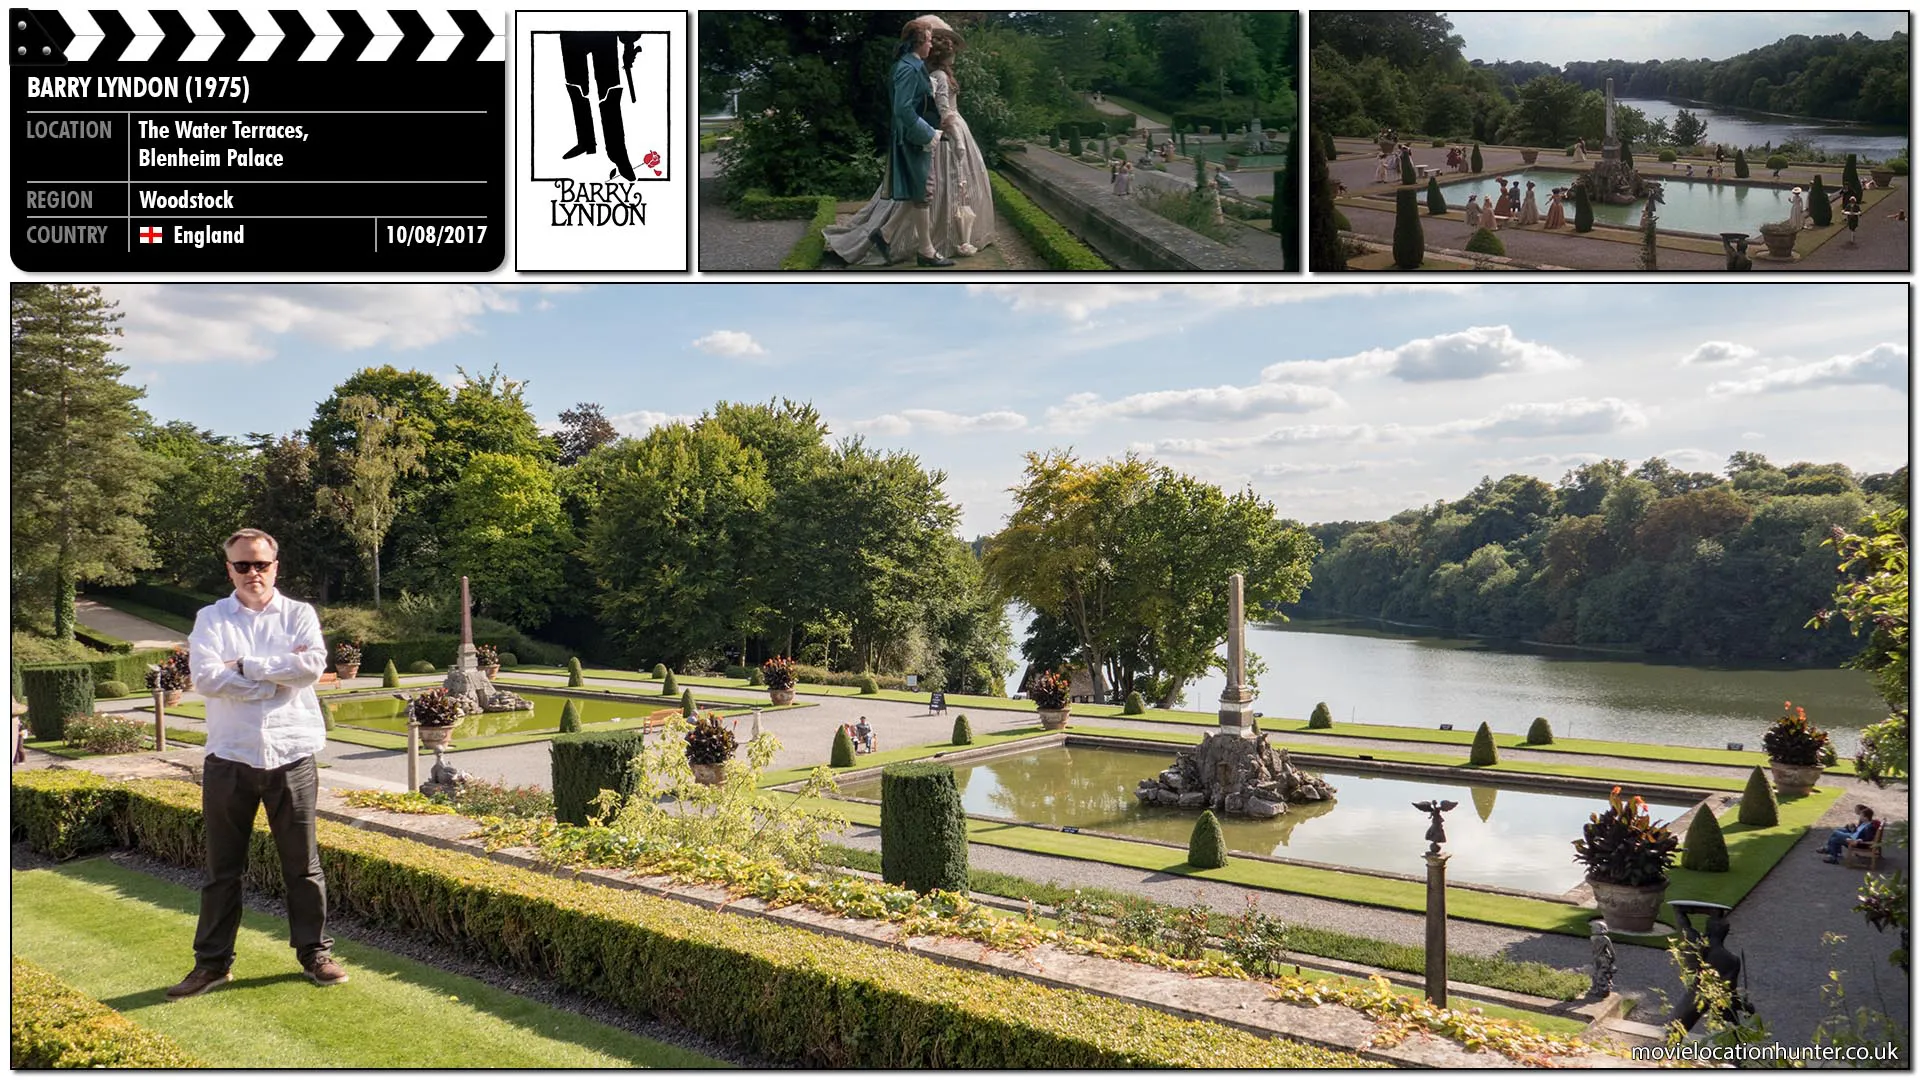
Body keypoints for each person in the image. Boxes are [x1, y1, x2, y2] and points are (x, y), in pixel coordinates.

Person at [167, 528, 342, 1001]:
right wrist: (274, 677)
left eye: (260, 564)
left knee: (303, 866)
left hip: (292, 754)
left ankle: (314, 953)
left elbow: (312, 667)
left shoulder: (300, 614)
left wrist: (244, 667)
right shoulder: (212, 617)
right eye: (242, 565)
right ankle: (212, 964)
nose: (252, 573)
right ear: (229, 569)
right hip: (230, 755)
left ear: (275, 566)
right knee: (222, 870)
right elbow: (205, 677)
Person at [821, 17, 953, 267]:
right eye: (927, 41)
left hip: (915, 138)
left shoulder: (913, 65)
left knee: (918, 191)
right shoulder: (908, 68)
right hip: (914, 140)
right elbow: (902, 109)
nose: (931, 47)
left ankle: (886, 235)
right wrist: (929, 134)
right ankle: (925, 252)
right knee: (924, 190)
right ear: (918, 43)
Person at [558, 32, 643, 181]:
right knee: (576, 87)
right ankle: (586, 141)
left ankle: (617, 152)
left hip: (604, 31)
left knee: (609, 91)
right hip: (571, 30)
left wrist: (628, 41)